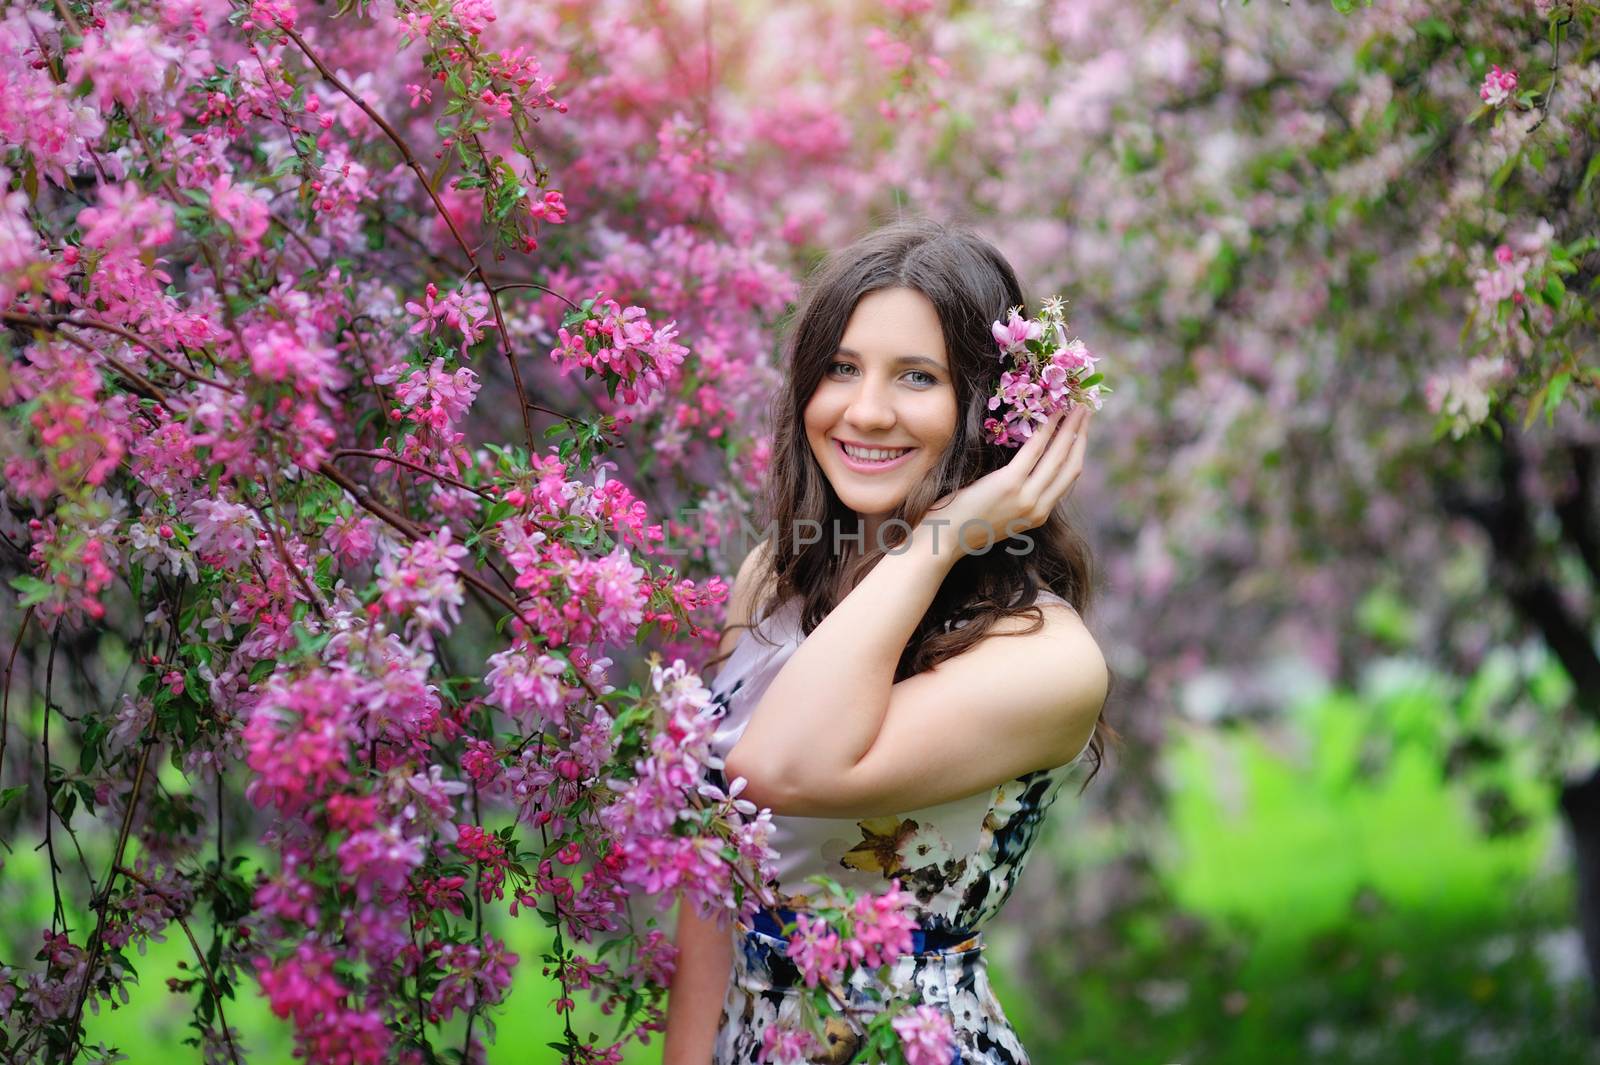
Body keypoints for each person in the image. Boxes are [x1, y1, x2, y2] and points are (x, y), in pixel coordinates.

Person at [662, 217, 1116, 1064]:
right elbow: (715, 873)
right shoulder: (775, 579)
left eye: (917, 376)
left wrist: (944, 536)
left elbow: (780, 771)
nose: (864, 411)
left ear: (992, 412)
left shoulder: (1048, 659)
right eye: (841, 368)